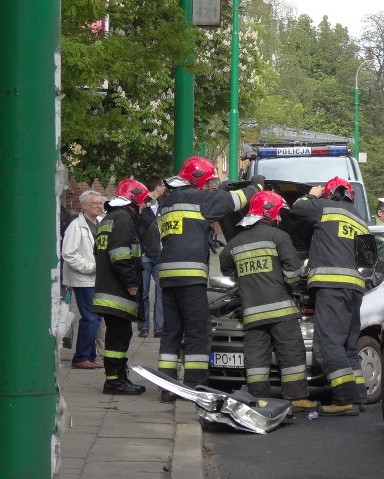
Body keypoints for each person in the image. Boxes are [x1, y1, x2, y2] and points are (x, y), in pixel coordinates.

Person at [157, 156, 264, 402]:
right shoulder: (200, 199)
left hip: (168, 277)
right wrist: (256, 186)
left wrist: (219, 189)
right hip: (190, 276)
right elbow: (233, 202)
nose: (208, 187)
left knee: (171, 330)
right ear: (197, 181)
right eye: (206, 182)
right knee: (198, 330)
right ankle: (194, 386)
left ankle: (166, 385)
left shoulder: (168, 201)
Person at [219, 191, 319, 411]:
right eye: (279, 213)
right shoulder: (279, 237)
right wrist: (291, 282)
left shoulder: (234, 244)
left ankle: (258, 400)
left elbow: (228, 270)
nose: (281, 218)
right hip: (281, 311)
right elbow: (293, 274)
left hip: (252, 314)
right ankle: (297, 398)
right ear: (269, 212)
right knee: (291, 353)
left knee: (256, 359)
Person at [291, 177, 368, 416]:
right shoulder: (360, 221)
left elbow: (298, 208)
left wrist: (312, 194)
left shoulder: (324, 207)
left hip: (332, 286)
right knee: (348, 345)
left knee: (328, 344)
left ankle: (344, 399)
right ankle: (359, 395)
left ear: (329, 194)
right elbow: (367, 260)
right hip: (355, 289)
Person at [92, 179, 149, 395]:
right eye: (141, 203)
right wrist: (131, 281)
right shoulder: (124, 219)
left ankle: (118, 377)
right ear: (134, 199)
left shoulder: (108, 218)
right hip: (118, 290)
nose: (142, 207)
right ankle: (114, 381)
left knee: (118, 334)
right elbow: (120, 254)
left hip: (107, 288)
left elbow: (98, 250)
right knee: (119, 335)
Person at [63, 190, 105, 369]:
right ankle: (81, 357)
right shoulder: (76, 226)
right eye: (95, 203)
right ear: (84, 205)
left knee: (95, 317)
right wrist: (90, 267)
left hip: (98, 279)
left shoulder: (101, 223)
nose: (99, 206)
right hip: (83, 279)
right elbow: (69, 253)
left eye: (100, 203)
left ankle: (89, 355)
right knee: (90, 317)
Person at [138, 175, 166, 338]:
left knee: (161, 292)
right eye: (163, 185)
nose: (164, 189)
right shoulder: (143, 204)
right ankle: (144, 326)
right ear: (157, 186)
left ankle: (159, 327)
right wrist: (143, 208)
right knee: (144, 292)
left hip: (160, 254)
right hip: (145, 255)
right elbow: (139, 226)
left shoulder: (164, 204)